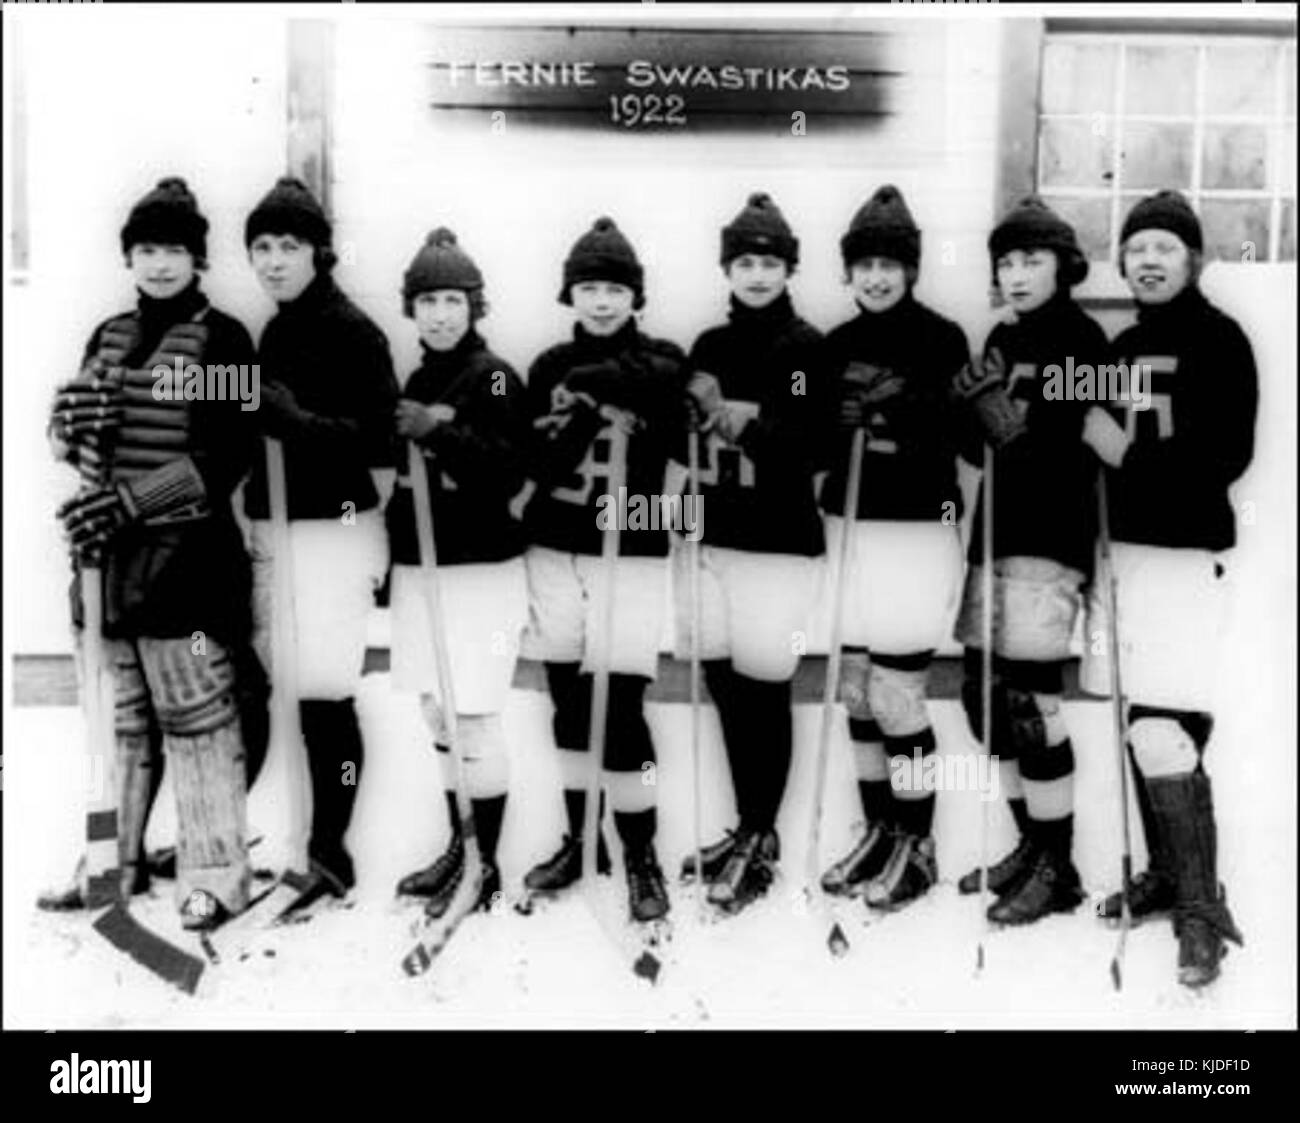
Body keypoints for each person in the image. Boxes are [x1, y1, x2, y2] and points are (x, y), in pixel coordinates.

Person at [44, 177, 258, 929]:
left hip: (187, 564)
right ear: (128, 257)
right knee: (117, 721)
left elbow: (231, 450)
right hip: (105, 564)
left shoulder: (226, 339)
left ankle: (217, 872)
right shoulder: (107, 335)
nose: (159, 263)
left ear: (197, 257)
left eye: (173, 249)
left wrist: (136, 501)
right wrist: (66, 428)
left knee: (195, 717)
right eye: (145, 249)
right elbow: (78, 446)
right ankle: (112, 861)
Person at [1082, 190, 1256, 987]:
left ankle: (1200, 909)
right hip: (1125, 557)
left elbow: (1224, 455)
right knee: (1139, 717)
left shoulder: (1221, 341)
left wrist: (1124, 455)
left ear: (1194, 259)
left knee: (1165, 729)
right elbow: (1080, 436)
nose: (1148, 260)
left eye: (1165, 247)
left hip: (1185, 557)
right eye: (1137, 248)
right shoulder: (1117, 350)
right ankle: (1163, 873)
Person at [519, 216, 689, 924]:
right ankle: (580, 837)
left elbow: (668, 400)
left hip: (633, 549)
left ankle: (640, 849)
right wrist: (580, 414)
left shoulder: (663, 358)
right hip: (558, 544)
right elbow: (537, 455)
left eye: (615, 287)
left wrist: (606, 391)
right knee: (569, 703)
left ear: (635, 295)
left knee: (621, 710)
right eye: (588, 286)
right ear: (570, 293)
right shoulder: (546, 365)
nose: (601, 300)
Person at [242, 176, 398, 914]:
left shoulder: (352, 331)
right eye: (262, 247)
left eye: (289, 245)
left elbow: (375, 442)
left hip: (336, 531)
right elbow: (241, 408)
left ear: (319, 251)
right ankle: (283, 840)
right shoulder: (272, 330)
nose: (273, 260)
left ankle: (330, 849)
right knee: (287, 687)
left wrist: (293, 420)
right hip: (280, 527)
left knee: (325, 695)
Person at [950, 196, 1108, 925]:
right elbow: (973, 445)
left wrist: (1007, 426)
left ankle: (1060, 865)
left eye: (1030, 260)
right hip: (995, 531)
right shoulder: (999, 337)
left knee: (1032, 704)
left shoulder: (1085, 343)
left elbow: (1075, 451)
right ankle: (1031, 842)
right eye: (1005, 262)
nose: (1015, 274)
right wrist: (967, 416)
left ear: (1064, 267)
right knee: (987, 701)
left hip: (1051, 536)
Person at [817, 185, 969, 911]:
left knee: (897, 691)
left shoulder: (942, 339)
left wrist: (907, 407)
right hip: (848, 525)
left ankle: (918, 840)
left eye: (889, 263)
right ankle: (879, 828)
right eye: (864, 264)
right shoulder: (833, 345)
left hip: (914, 528)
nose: (876, 276)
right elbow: (810, 430)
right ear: (847, 272)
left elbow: (963, 436)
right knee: (855, 690)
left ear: (911, 269)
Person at [677, 192, 827, 913]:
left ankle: (762, 835)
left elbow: (814, 443)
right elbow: (687, 438)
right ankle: (747, 826)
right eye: (744, 261)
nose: (757, 273)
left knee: (765, 685)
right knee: (725, 682)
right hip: (715, 532)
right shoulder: (708, 345)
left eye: (770, 261)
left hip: (776, 539)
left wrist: (747, 418)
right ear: (727, 267)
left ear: (789, 266)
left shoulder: (803, 347)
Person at [387, 228, 530, 917]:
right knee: (437, 711)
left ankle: (486, 863)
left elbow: (506, 469)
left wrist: (437, 431)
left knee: (472, 715)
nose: (440, 314)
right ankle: (459, 843)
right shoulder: (419, 376)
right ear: (411, 309)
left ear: (474, 305)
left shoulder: (496, 373)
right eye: (427, 301)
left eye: (452, 300)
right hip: (424, 568)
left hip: (479, 570)